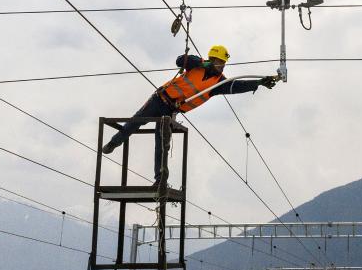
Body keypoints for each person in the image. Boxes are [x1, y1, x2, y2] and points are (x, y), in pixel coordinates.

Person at [101, 45, 278, 178]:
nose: (222, 66)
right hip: (159, 99)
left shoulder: (218, 83)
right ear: (212, 59)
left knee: (162, 144)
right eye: (219, 63)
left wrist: (258, 82)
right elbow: (180, 60)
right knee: (134, 124)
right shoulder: (195, 65)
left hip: (170, 110)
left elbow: (237, 86)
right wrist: (200, 62)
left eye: (223, 64)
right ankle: (113, 143)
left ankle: (160, 179)